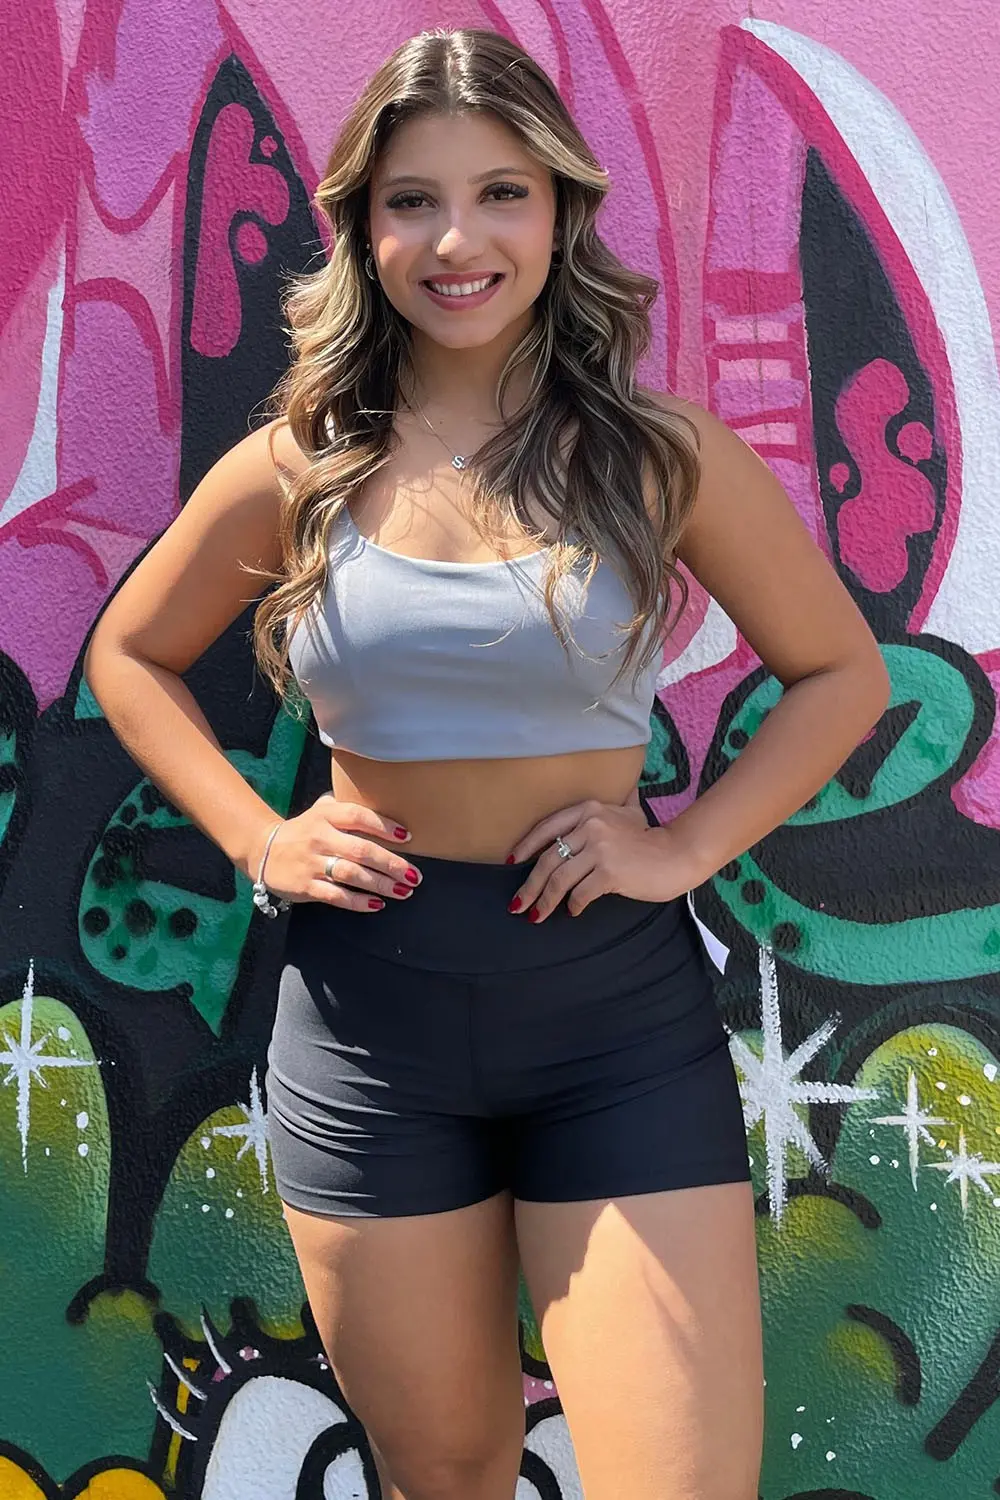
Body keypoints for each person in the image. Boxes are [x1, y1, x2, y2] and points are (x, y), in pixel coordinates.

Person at [83, 26, 890, 1500]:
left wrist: (684, 846)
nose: (458, 241)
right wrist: (260, 839)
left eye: (501, 193)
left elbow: (844, 674)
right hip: (369, 1027)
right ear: (363, 228)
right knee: (446, 1476)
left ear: (561, 210)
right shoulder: (302, 463)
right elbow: (128, 657)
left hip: (612, 1020)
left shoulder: (655, 453)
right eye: (414, 201)